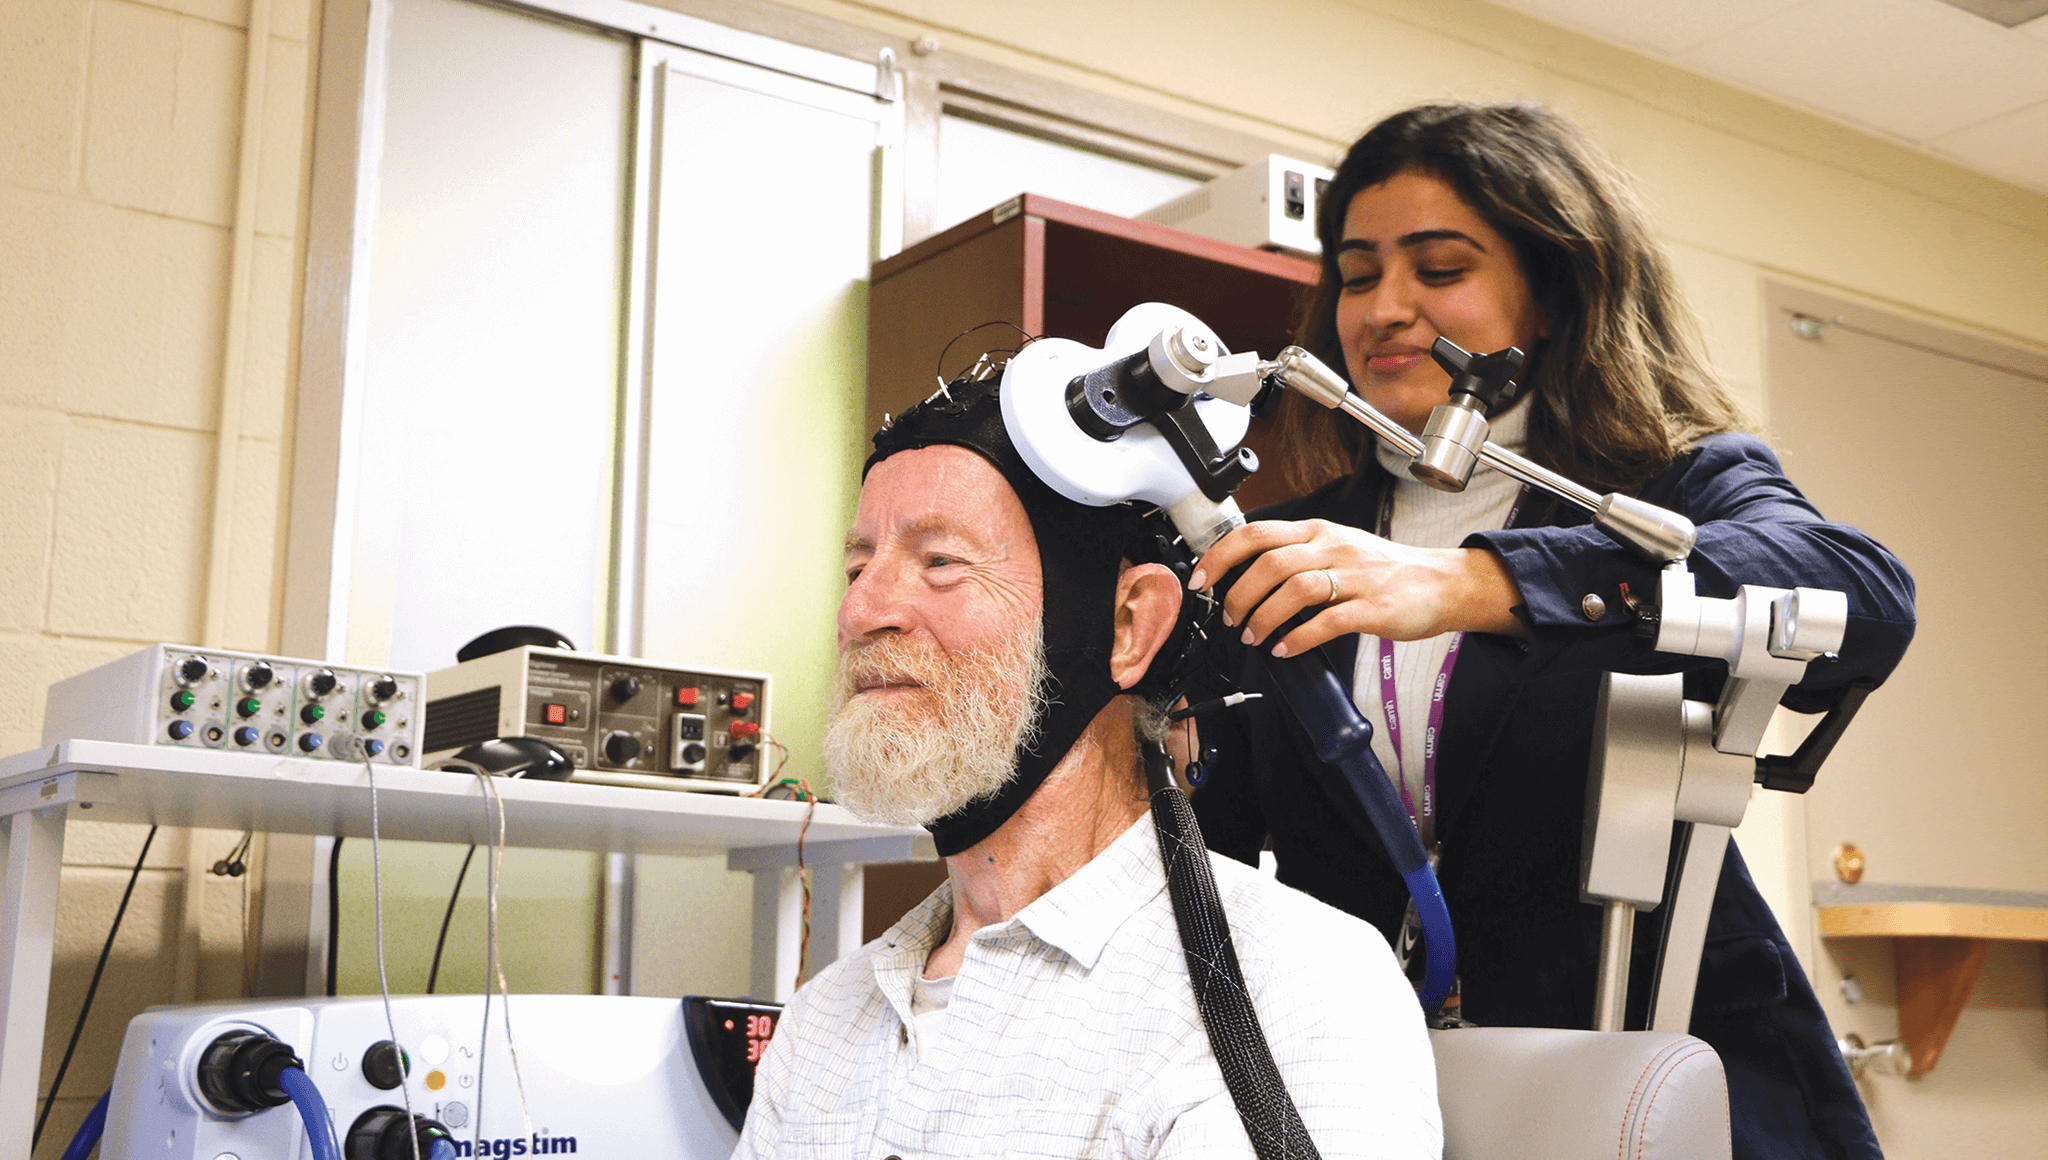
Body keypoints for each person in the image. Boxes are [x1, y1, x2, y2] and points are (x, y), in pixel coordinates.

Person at [1186, 103, 1914, 1160]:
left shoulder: (1671, 482)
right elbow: (1218, 834)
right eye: (1354, 275)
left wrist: (1475, 582)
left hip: (1653, 1057)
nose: (1384, 308)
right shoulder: (1305, 540)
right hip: (1378, 1085)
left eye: (1437, 269)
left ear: (1553, 288)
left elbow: (1862, 592)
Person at [733, 373, 1440, 1160]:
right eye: (857, 568)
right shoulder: (826, 1019)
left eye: (940, 562)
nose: (860, 612)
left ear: (1129, 625)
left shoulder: (1301, 984)